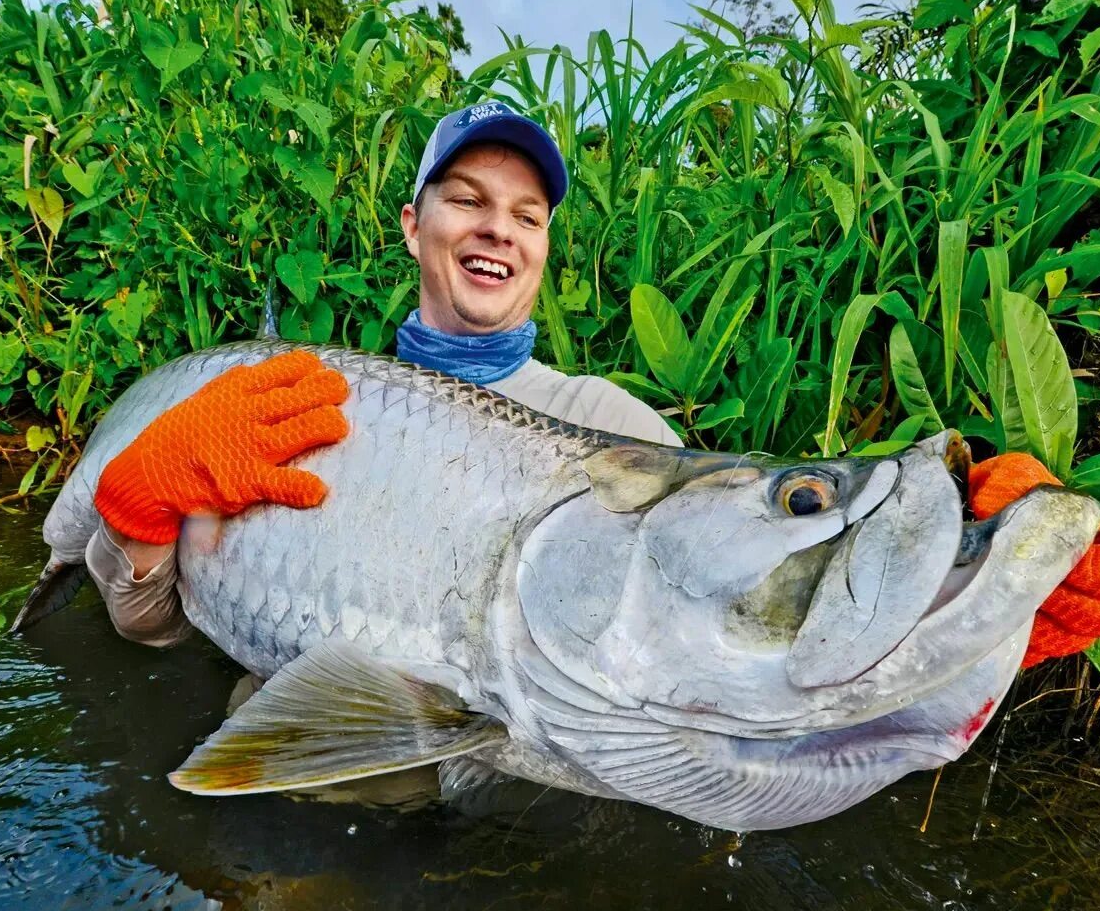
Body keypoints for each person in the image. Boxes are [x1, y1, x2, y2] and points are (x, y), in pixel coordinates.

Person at [83, 101, 682, 648]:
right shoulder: (285, 405)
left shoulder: (618, 430)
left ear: (543, 247)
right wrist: (143, 507)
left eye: (528, 217)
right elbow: (151, 626)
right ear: (413, 227)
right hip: (293, 759)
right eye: (469, 200)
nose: (499, 229)